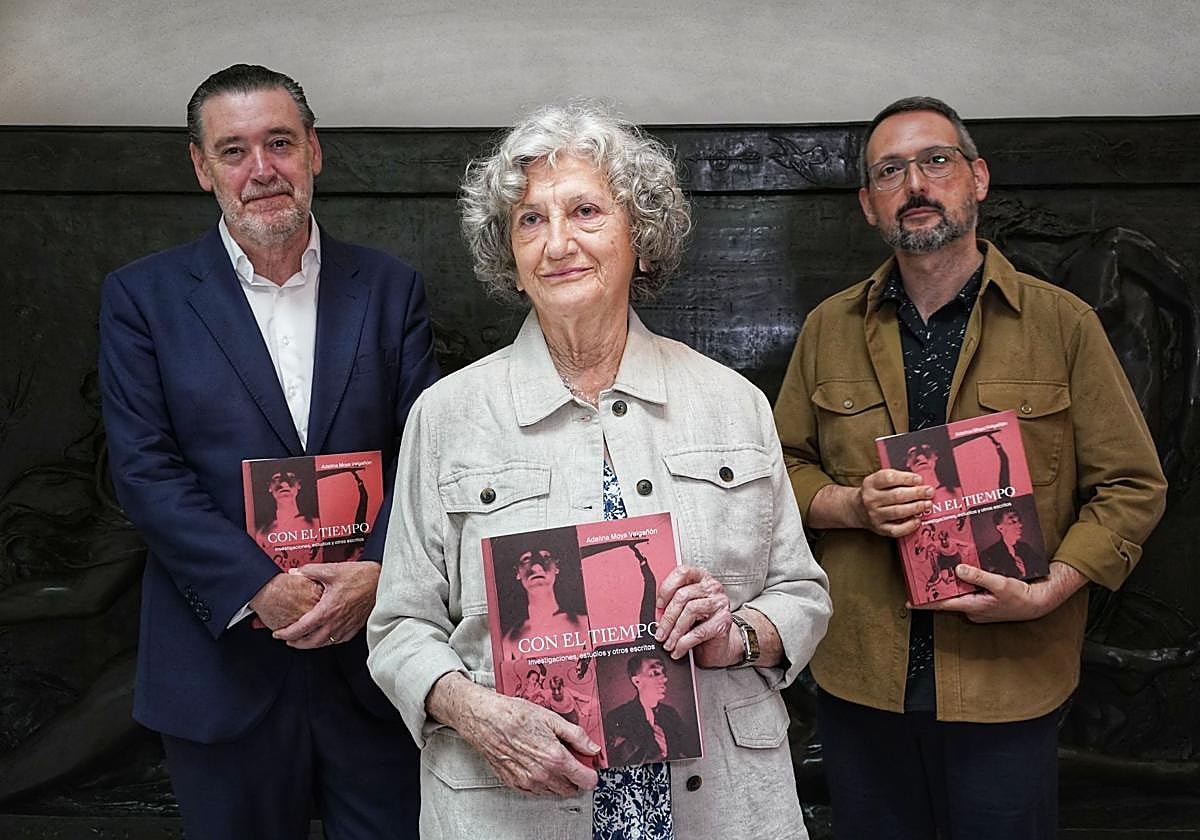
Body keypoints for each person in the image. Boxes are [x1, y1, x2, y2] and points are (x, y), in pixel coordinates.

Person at [367, 102, 831, 840]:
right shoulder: (446, 415)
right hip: (508, 808)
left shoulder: (733, 405)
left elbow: (801, 594)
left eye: (585, 211)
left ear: (640, 240)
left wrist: (735, 636)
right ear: (510, 259)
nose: (557, 243)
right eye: (529, 220)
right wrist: (475, 712)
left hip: (722, 808)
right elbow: (399, 627)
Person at [773, 96, 1167, 840]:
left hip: (1010, 681)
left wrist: (1052, 588)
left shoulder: (1063, 325)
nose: (914, 183)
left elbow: (1132, 487)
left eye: (935, 161)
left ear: (977, 178)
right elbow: (778, 470)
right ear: (867, 203)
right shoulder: (828, 328)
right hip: (860, 681)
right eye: (890, 171)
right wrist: (850, 505)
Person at [98, 64, 439, 838]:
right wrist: (260, 586)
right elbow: (146, 472)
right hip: (222, 671)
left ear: (314, 151)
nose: (261, 171)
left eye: (279, 143)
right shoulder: (142, 298)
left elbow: (427, 453)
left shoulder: (390, 289)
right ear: (200, 166)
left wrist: (379, 574)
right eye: (234, 150)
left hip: (376, 662)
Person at [603, 653, 695, 766]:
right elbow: (615, 762)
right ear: (637, 681)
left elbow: (690, 756)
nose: (664, 679)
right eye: (655, 673)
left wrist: (667, 754)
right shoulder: (617, 717)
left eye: (663, 673)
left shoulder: (671, 714)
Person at [980, 508, 1044, 578]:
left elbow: (1041, 569)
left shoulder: (1026, 548)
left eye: (1019, 521)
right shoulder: (989, 554)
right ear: (1000, 528)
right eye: (1013, 522)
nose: (1020, 525)